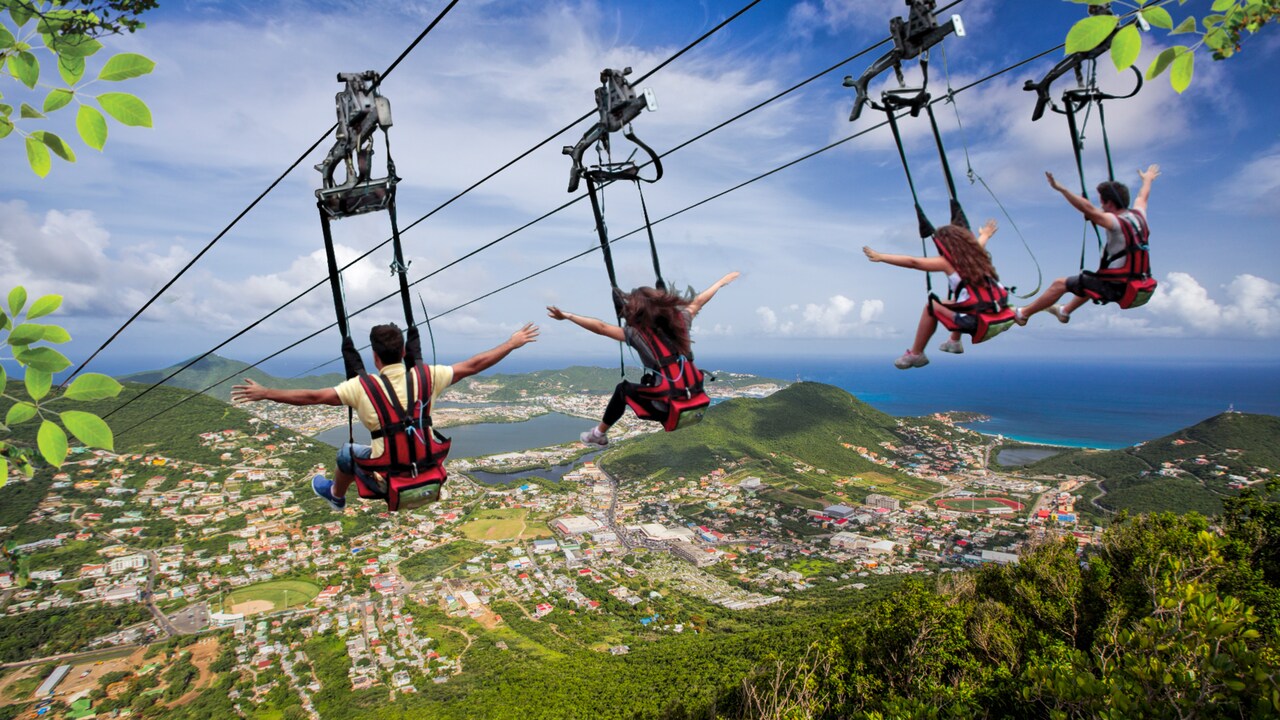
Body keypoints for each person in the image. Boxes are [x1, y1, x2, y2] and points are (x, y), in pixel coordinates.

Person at [231, 322, 539, 510]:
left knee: (346, 453)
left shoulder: (361, 388)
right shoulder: (427, 377)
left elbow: (312, 398)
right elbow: (474, 365)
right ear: (404, 353)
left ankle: (336, 495)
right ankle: (340, 493)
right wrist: (511, 344)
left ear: (375, 357)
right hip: (428, 470)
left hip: (385, 479)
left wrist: (267, 392)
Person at [546, 271, 740, 446]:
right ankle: (599, 433)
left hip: (665, 407)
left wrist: (568, 316)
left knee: (622, 390)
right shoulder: (681, 320)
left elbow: (601, 328)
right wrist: (721, 282)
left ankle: (598, 434)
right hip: (695, 395)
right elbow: (698, 301)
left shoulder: (638, 335)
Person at [1014, 165, 1159, 325]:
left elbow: (1087, 209)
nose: (1101, 206)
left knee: (1059, 284)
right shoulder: (1140, 216)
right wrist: (1147, 179)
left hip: (1118, 287)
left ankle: (1023, 314)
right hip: (1139, 282)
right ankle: (1064, 311)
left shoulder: (1115, 222)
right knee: (1089, 281)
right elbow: (1142, 197)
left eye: (1102, 202)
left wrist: (1062, 189)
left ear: (1109, 203)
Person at [863, 219, 1002, 369]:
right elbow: (979, 243)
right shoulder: (976, 256)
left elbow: (914, 262)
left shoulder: (949, 262)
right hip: (994, 314)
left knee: (931, 306)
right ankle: (954, 341)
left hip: (974, 321)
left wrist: (881, 257)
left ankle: (916, 353)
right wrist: (986, 234)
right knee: (956, 300)